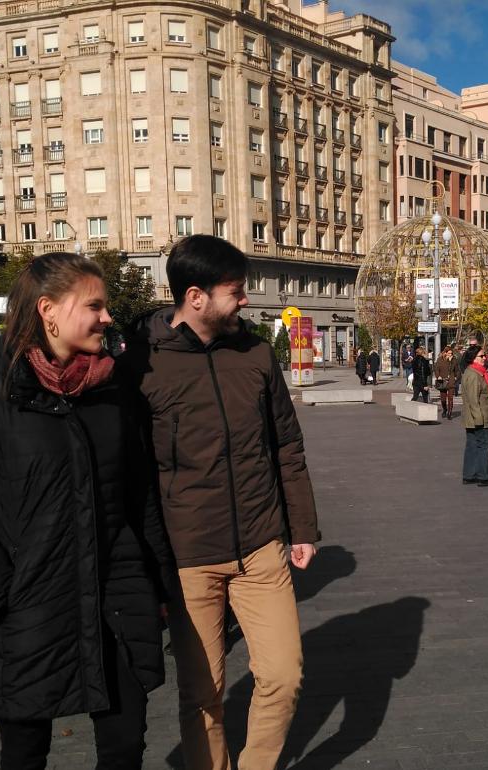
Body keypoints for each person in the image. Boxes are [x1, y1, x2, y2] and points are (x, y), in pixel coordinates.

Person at [0, 252, 171, 770]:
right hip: (31, 606)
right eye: (95, 305)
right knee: (25, 752)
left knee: (125, 747)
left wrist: (158, 587)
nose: (107, 317)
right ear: (49, 311)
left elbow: (141, 498)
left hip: (117, 599)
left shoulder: (116, 395)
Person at [125, 235, 319, 770]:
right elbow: (131, 469)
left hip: (262, 547)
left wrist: (301, 527)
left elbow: (287, 444)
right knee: (202, 694)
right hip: (189, 559)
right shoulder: (142, 364)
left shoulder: (255, 354)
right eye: (236, 291)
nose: (246, 301)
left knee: (283, 675)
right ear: (195, 296)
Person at [460, 346, 488, 486]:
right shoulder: (474, 375)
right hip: (479, 417)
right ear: (473, 358)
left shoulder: (474, 372)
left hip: (473, 417)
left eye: (485, 355)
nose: (485, 358)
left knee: (472, 445)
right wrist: (479, 419)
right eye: (482, 356)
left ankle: (469, 475)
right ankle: (482, 476)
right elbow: (473, 400)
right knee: (483, 446)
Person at [434, 345, 458, 419]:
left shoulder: (454, 360)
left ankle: (449, 413)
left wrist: (456, 376)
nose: (450, 355)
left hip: (451, 380)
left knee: (450, 398)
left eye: (451, 353)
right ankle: (445, 409)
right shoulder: (440, 359)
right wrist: (438, 376)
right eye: (448, 353)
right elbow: (436, 369)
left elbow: (456, 370)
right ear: (445, 353)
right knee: (443, 399)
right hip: (442, 380)